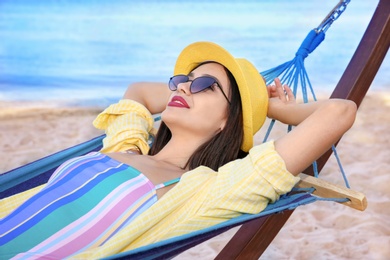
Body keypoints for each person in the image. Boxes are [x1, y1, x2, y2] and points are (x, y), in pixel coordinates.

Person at [0, 42, 357, 259]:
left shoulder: (204, 191)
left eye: (205, 86)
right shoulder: (126, 145)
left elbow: (339, 112)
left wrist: (266, 108)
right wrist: (205, 94)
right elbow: (138, 92)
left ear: (226, 122)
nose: (184, 87)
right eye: (182, 82)